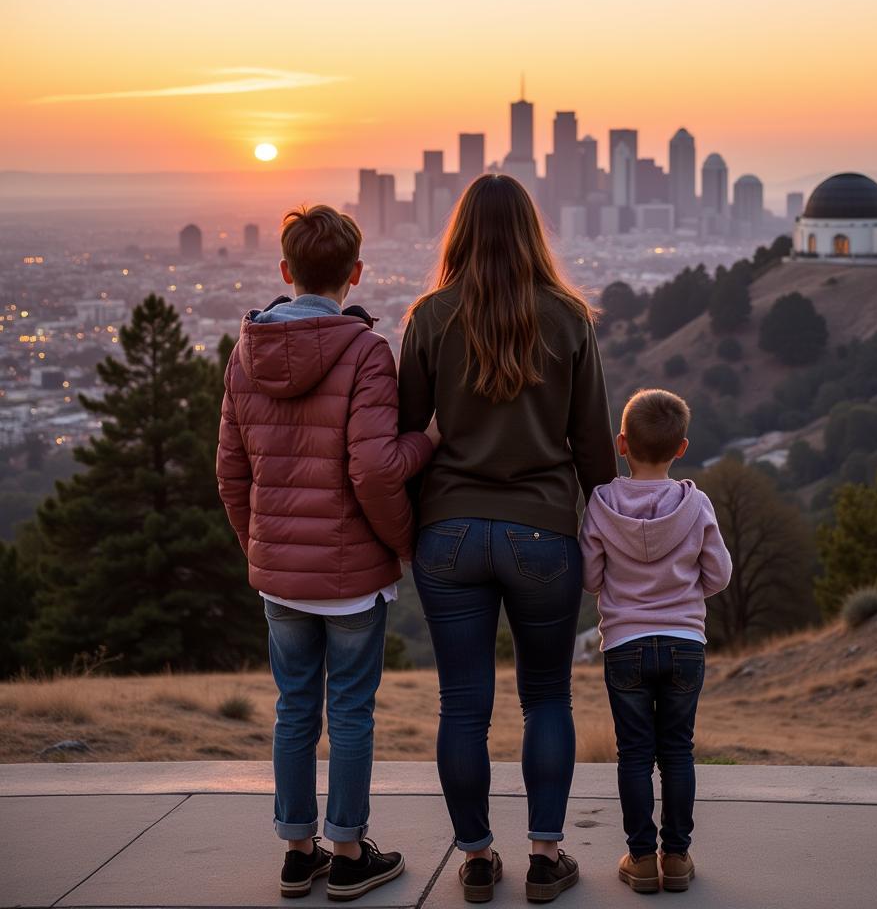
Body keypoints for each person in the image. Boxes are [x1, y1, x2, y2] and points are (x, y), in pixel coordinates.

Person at [399, 174, 617, 903]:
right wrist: (606, 530)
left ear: (459, 233)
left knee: (461, 704)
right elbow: (593, 445)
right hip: (542, 531)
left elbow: (405, 437)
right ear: (533, 232)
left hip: (450, 532)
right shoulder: (568, 318)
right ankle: (547, 857)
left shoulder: (430, 317)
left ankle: (477, 858)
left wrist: (409, 527)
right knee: (547, 696)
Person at [217, 204, 439, 901]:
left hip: (280, 576)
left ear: (286, 271)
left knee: (293, 710)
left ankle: (297, 850)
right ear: (356, 273)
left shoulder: (244, 350)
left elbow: (230, 472)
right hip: (349, 578)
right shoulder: (366, 350)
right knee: (349, 712)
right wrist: (426, 448)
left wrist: (263, 548)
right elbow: (374, 469)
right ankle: (347, 853)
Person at [580, 389, 732, 894]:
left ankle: (642, 859)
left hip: (625, 642)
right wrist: (687, 592)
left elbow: (590, 577)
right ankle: (679, 858)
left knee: (634, 756)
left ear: (622, 443)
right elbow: (720, 574)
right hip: (685, 641)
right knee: (678, 753)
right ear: (681, 447)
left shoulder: (602, 503)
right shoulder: (696, 503)